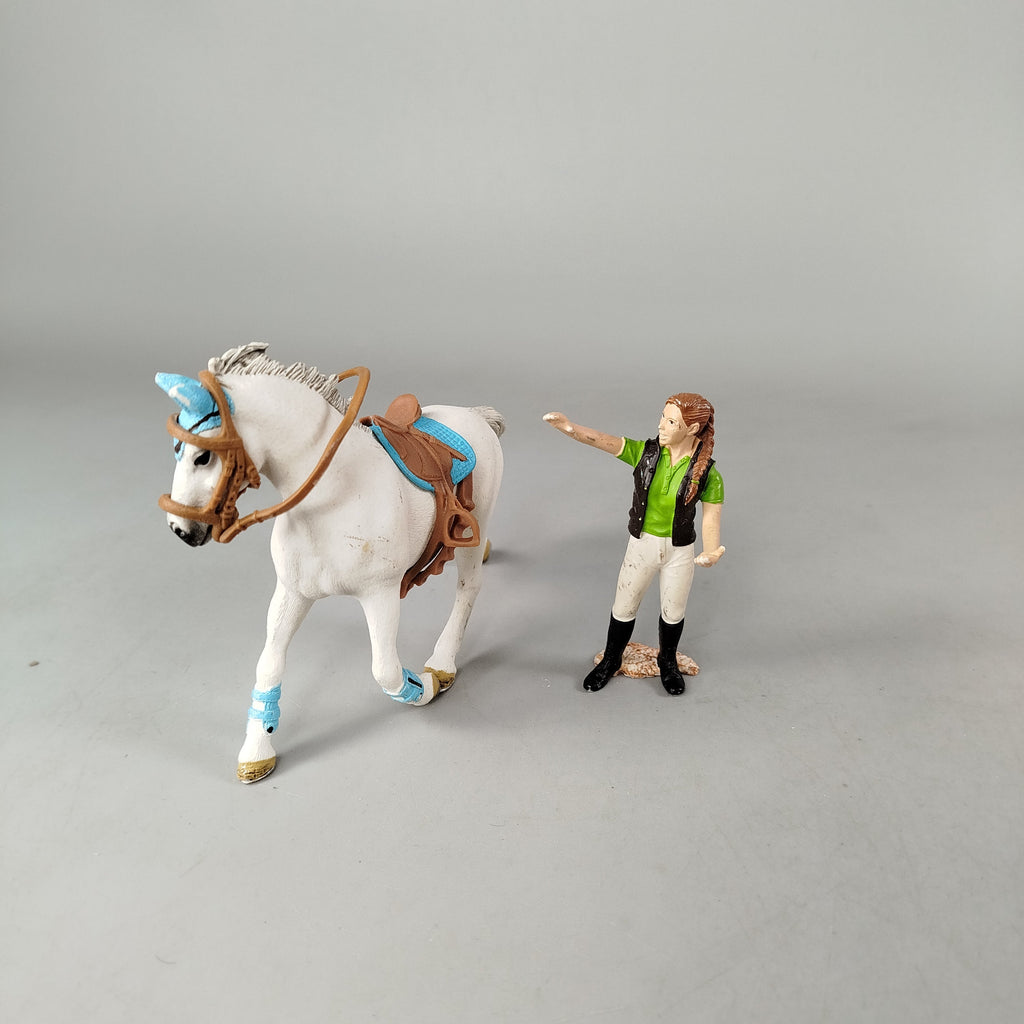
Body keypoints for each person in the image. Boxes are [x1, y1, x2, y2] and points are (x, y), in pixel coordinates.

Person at [543, 393, 725, 694]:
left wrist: (710, 550)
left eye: (671, 422)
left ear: (692, 429)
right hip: (642, 545)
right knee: (624, 605)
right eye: (663, 417)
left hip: (679, 551)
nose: (661, 425)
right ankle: (611, 659)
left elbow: (710, 519)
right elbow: (603, 441)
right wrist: (570, 428)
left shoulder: (707, 473)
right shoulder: (646, 453)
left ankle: (667, 661)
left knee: (674, 610)